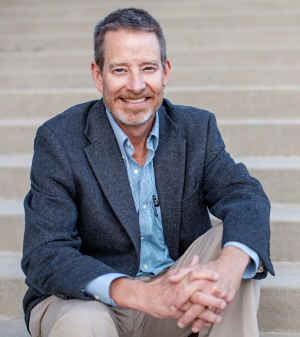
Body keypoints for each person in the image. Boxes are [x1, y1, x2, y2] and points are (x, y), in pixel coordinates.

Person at [22, 7, 274, 337]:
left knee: (235, 250)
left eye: (148, 68)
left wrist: (228, 268)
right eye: (120, 70)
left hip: (173, 301)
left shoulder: (195, 129)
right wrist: (141, 294)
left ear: (165, 72)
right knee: (83, 323)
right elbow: (45, 253)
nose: (136, 85)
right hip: (90, 300)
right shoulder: (59, 140)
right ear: (98, 75)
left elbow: (246, 197)